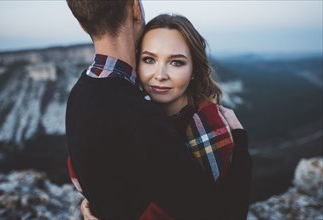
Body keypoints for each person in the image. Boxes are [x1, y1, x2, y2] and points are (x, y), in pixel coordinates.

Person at [66, 1, 251, 219]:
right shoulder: (139, 118)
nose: (160, 74)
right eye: (149, 59)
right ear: (136, 8)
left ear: (194, 69)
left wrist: (239, 142)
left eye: (176, 62)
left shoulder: (211, 131)